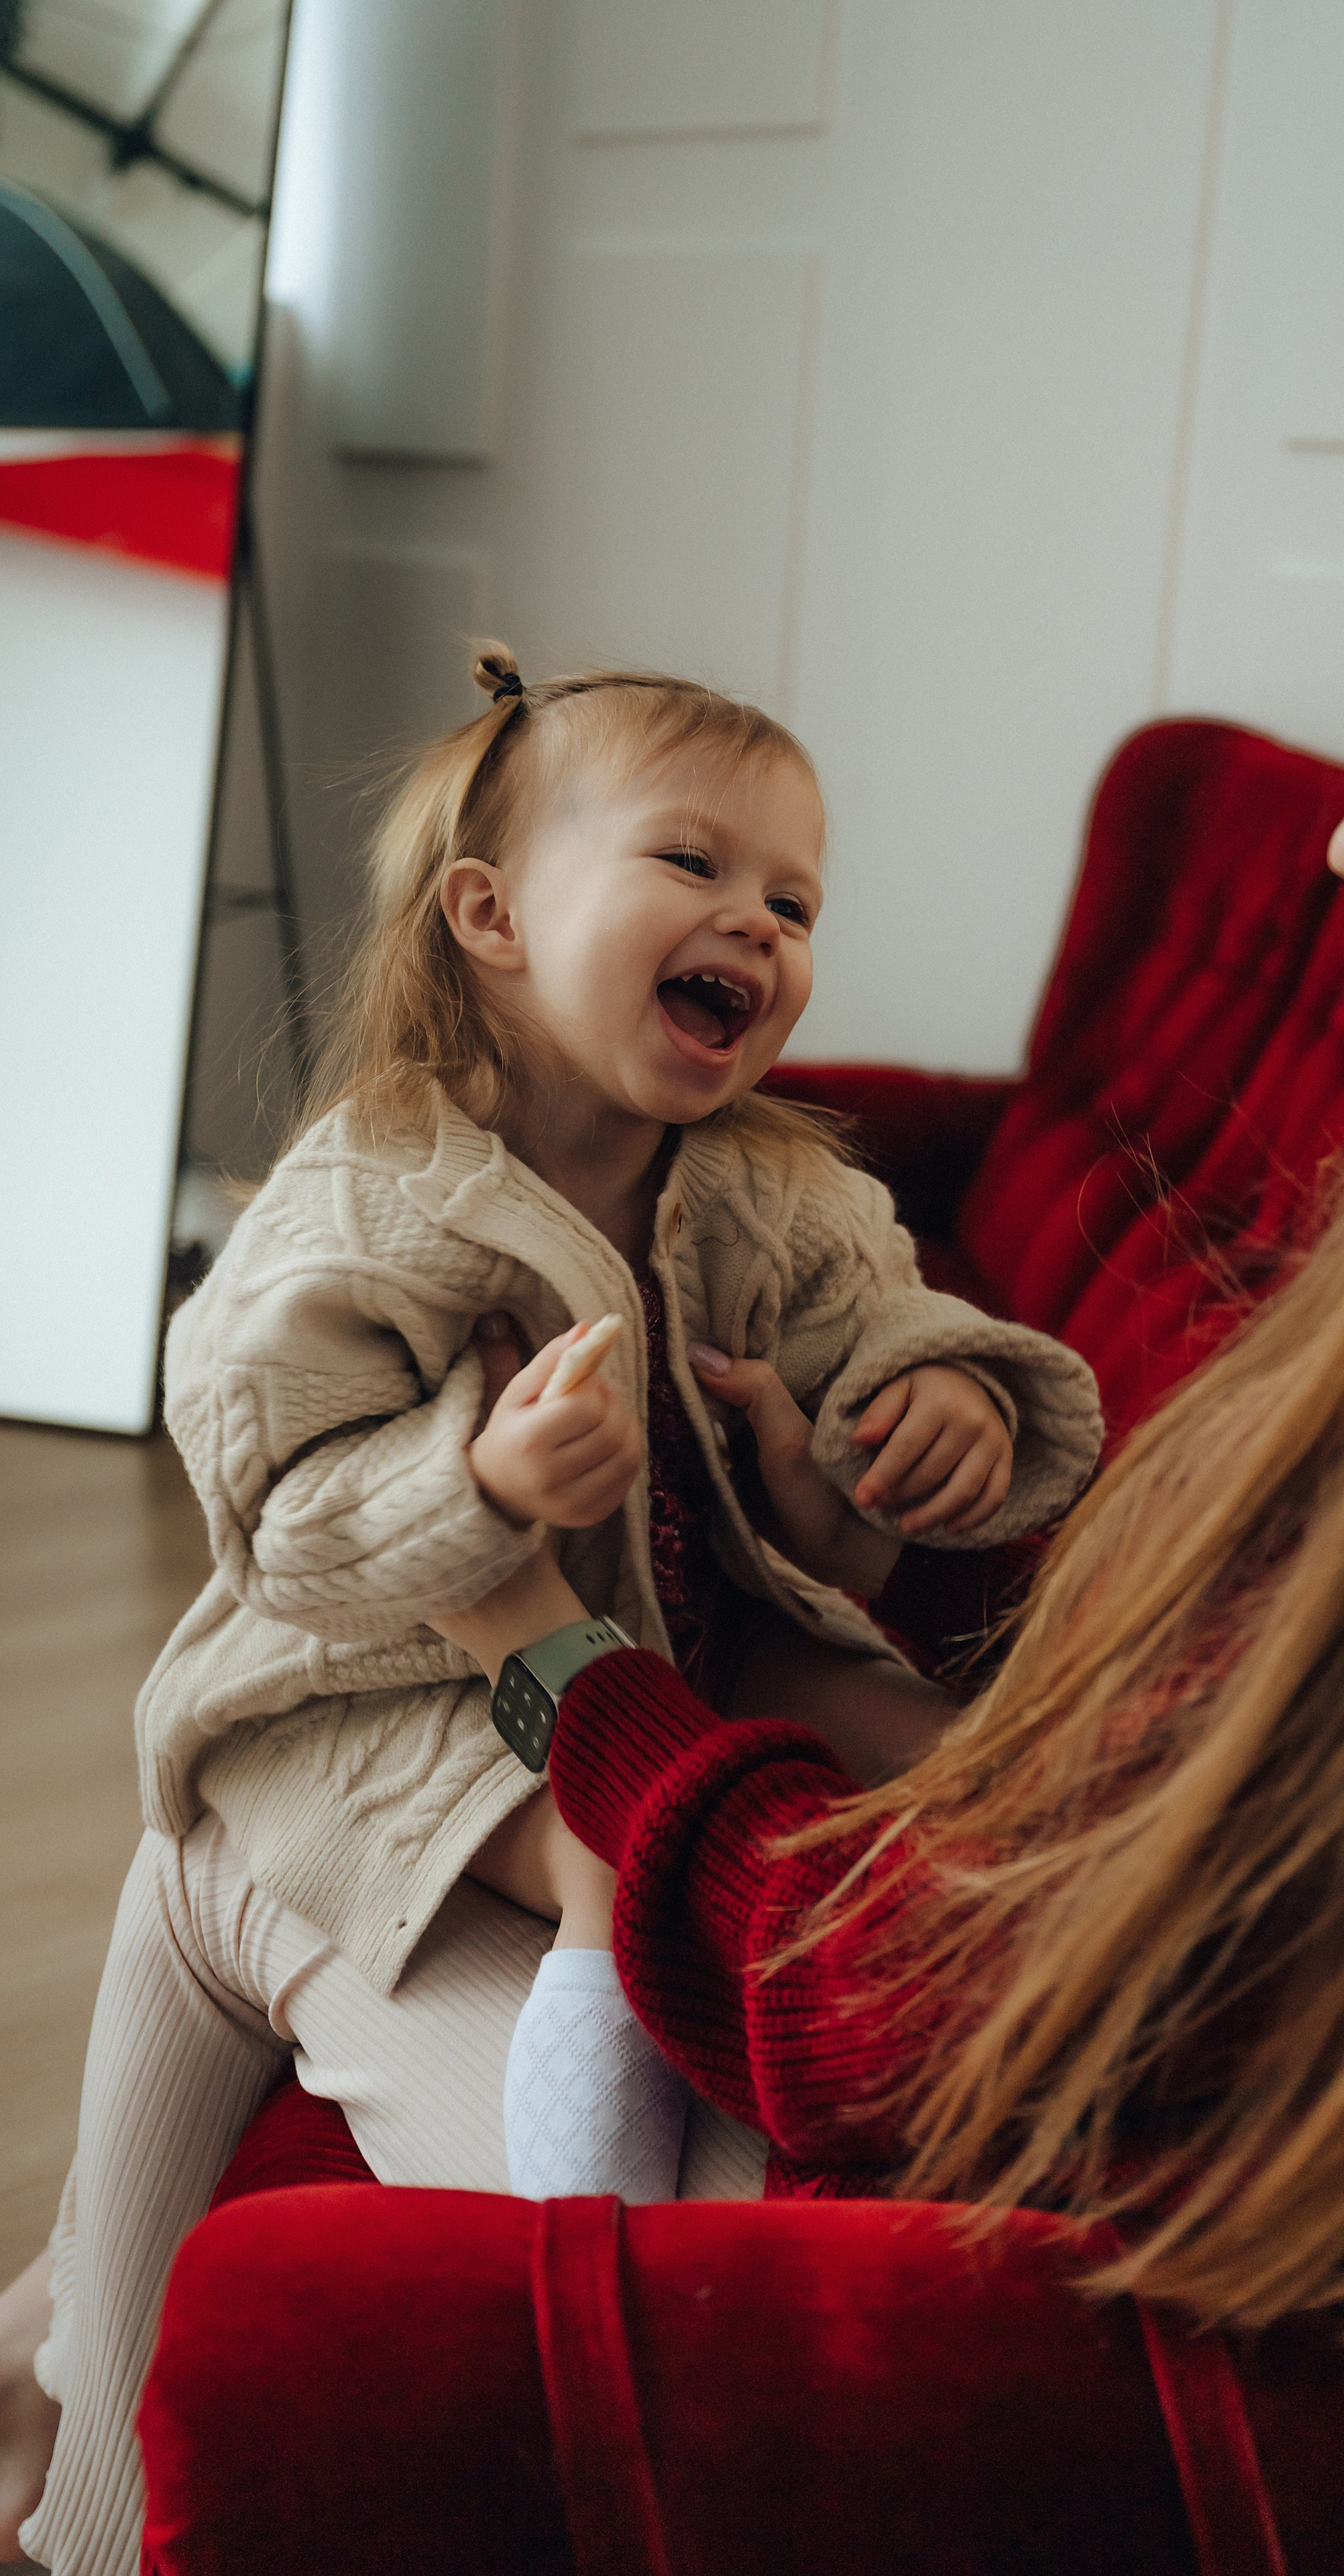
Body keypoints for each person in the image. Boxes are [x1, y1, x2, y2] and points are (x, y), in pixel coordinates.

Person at [427, 389, 1344, 2359]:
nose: (1340, 842)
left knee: (216, 1889)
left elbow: (877, 2020)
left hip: (972, 2272)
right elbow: (1186, 1779)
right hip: (1077, 2100)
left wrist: (554, 1659)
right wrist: (872, 1558)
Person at [5, 653, 1101, 2574]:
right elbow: (273, 1516)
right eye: (695, 863)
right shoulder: (368, 1205)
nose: (758, 923)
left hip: (677, 1659)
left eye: (796, 900)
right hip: (375, 1709)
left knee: (951, 1768)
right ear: (492, 917)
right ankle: (579, 2181)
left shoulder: (775, 1189)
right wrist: (482, 1480)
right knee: (609, 1890)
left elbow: (881, 1323)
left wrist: (936, 1401)